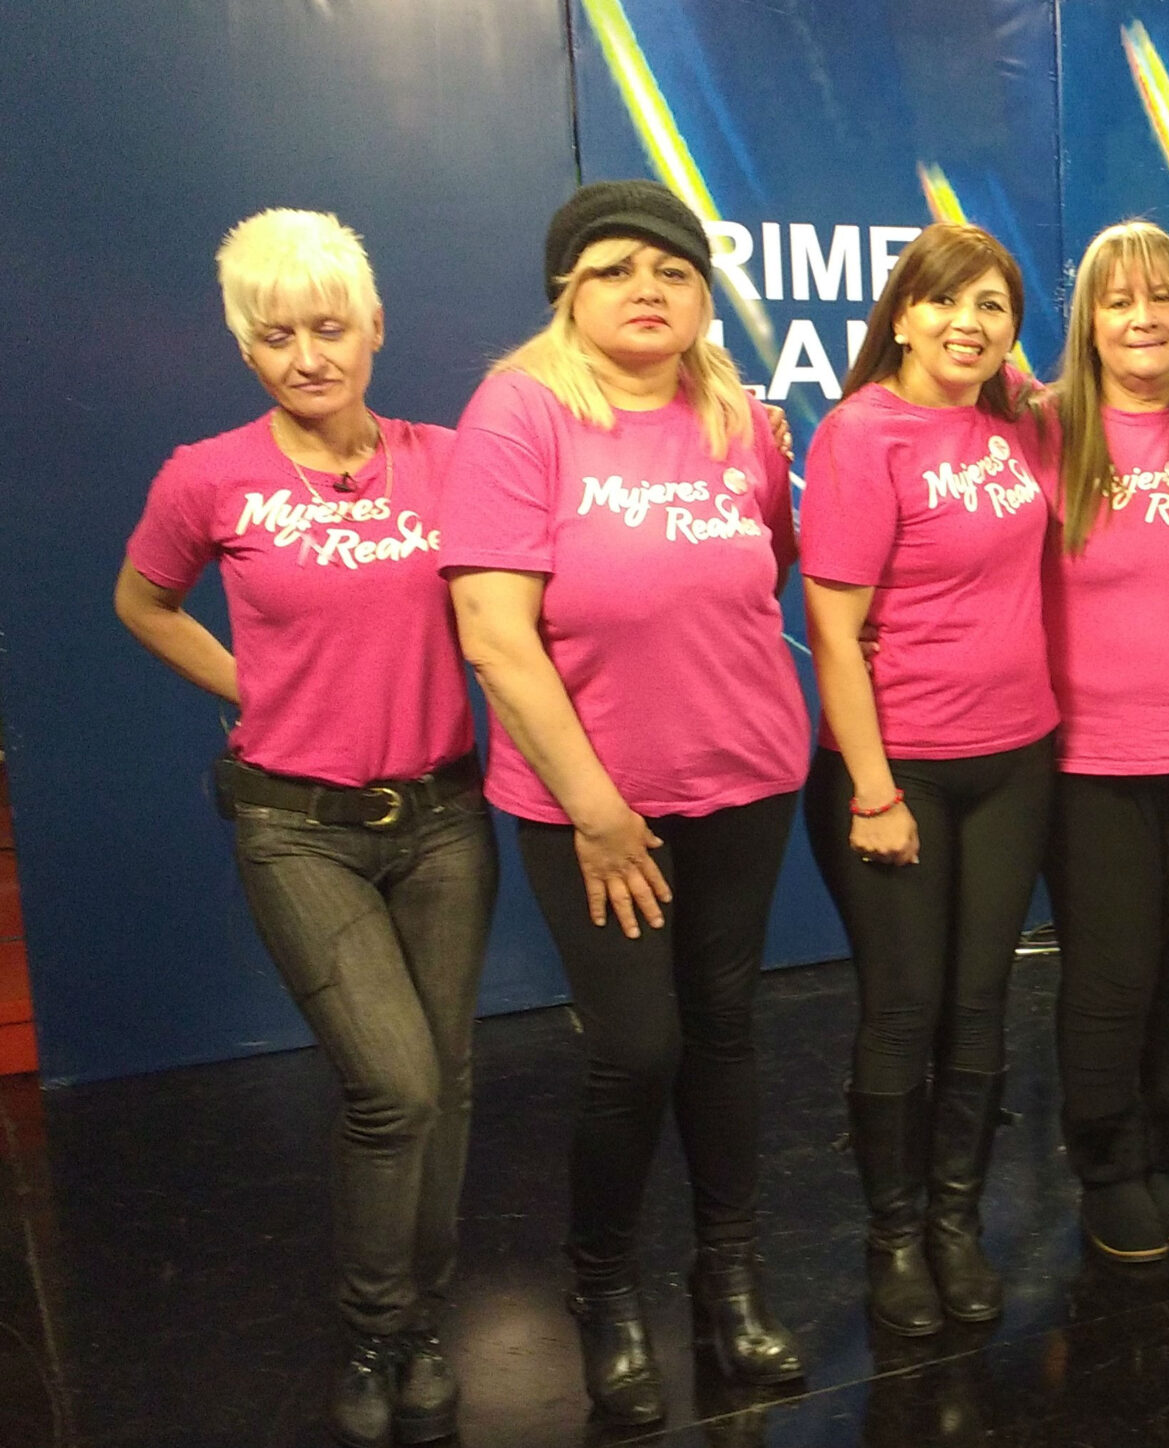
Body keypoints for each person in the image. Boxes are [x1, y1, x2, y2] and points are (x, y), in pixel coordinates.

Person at [115, 208, 493, 1448]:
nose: (307, 356)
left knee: (446, 1079)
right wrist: (253, 686)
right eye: (275, 337)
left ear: (375, 325)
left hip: (444, 818)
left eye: (329, 327)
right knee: (394, 1085)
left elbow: (580, 497)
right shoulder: (206, 474)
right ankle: (376, 1324)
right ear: (246, 348)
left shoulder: (449, 460)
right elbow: (144, 600)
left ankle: (424, 1317)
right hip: (297, 825)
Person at [442, 180, 810, 1425]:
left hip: (744, 774)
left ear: (703, 295)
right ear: (567, 290)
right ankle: (602, 1286)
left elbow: (766, 564)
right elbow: (494, 634)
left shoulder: (742, 421)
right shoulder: (519, 412)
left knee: (723, 1028)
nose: (645, 288)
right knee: (636, 1047)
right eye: (613, 267)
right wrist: (598, 809)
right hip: (589, 804)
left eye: (672, 270)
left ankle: (729, 1276)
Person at [801, 222, 1056, 1336]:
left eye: (992, 306)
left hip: (1016, 759)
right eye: (947, 301)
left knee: (981, 999)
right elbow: (833, 627)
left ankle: (957, 1223)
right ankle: (895, 1236)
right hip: (898, 768)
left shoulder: (1017, 421)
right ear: (902, 314)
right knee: (903, 1009)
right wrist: (872, 790)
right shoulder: (862, 433)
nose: (969, 322)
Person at [1040, 221, 1169, 1262]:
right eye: (1118, 300)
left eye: (1161, 297)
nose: (1141, 318)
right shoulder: (1041, 430)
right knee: (1113, 976)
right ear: (1089, 320)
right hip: (1089, 760)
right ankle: (1109, 1167)